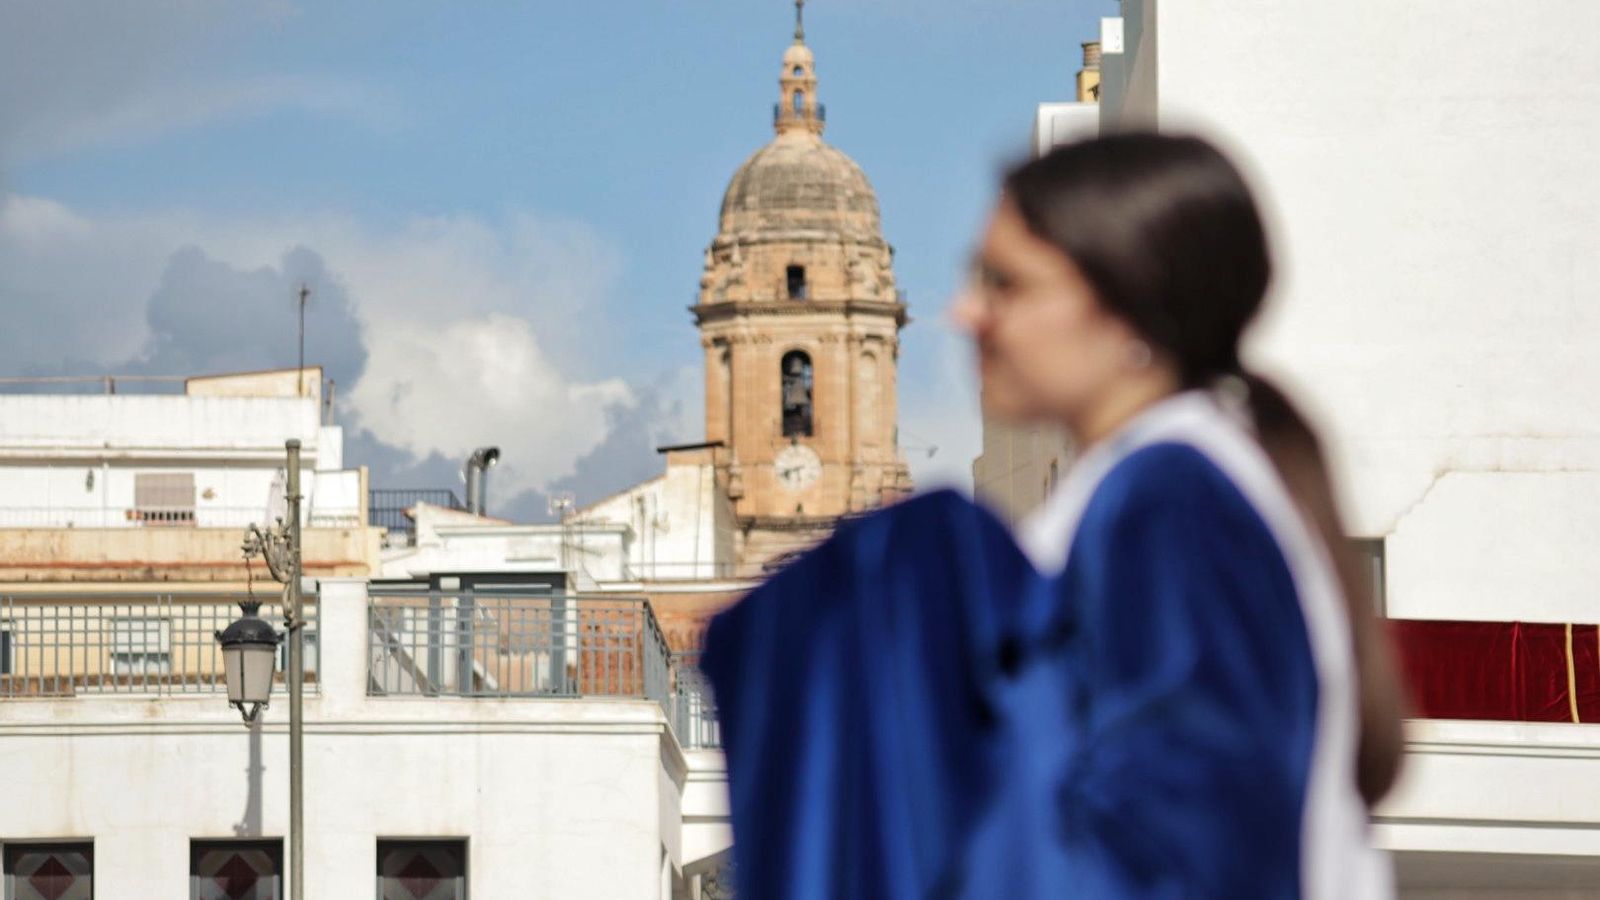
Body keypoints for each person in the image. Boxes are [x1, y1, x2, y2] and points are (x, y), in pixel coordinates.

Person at [701, 133, 1405, 899]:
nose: (966, 312)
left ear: (1125, 306)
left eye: (1008, 284)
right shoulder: (1171, 487)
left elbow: (1190, 843)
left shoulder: (1171, 505)